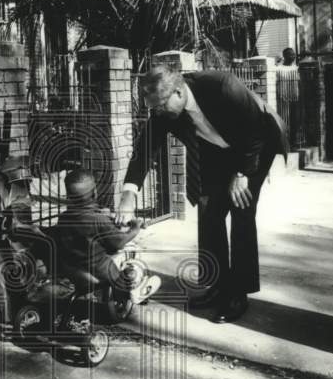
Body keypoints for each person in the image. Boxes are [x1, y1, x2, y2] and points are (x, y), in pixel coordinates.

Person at [116, 65, 287, 322]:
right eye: (154, 109)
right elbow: (145, 149)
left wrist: (241, 174)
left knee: (241, 210)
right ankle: (218, 286)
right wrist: (129, 194)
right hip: (219, 151)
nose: (158, 113)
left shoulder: (220, 86)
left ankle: (238, 293)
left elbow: (253, 128)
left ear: (178, 92)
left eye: (161, 106)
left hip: (257, 144)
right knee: (208, 211)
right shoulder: (164, 109)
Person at [56, 168, 161, 305]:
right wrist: (134, 229)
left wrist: (106, 216)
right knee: (129, 254)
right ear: (95, 192)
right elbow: (117, 243)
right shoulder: (98, 219)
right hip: (100, 271)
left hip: (73, 267)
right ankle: (133, 289)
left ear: (68, 197)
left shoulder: (64, 218)